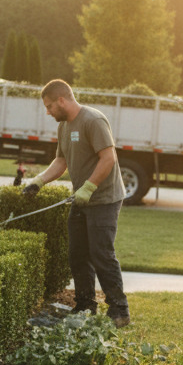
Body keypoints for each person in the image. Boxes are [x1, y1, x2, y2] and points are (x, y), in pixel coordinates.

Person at [21, 79, 130, 327]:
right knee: (77, 253)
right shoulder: (64, 126)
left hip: (103, 199)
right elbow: (61, 162)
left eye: (49, 106)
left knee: (101, 253)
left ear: (62, 100)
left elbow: (108, 158)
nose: (47, 112)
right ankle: (85, 306)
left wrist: (89, 187)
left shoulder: (93, 120)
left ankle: (120, 311)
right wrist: (38, 181)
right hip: (82, 199)